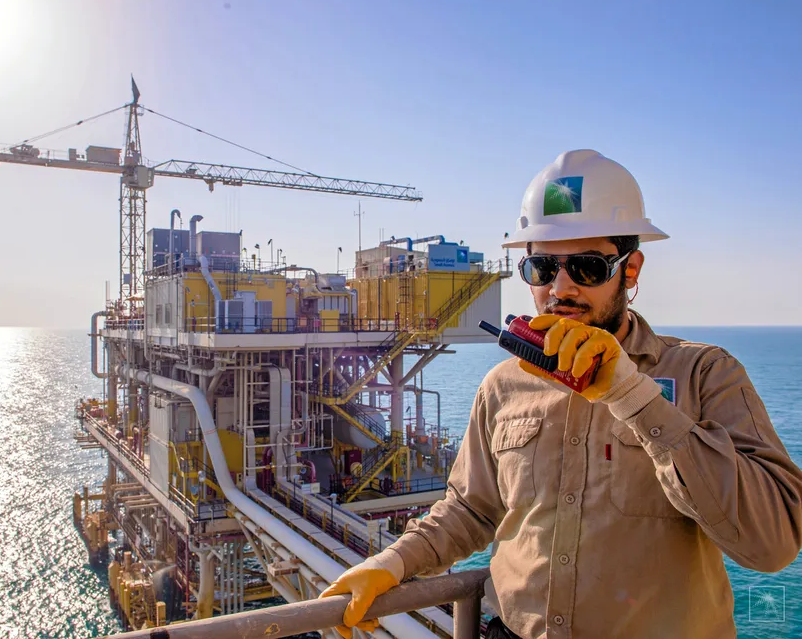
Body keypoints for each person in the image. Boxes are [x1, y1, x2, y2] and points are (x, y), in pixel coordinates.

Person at [320, 150, 802, 638]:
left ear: (630, 270)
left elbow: (774, 541)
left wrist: (633, 396)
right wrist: (393, 563)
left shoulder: (704, 373)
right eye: (542, 268)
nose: (561, 288)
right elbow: (470, 509)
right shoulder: (502, 385)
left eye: (588, 268)